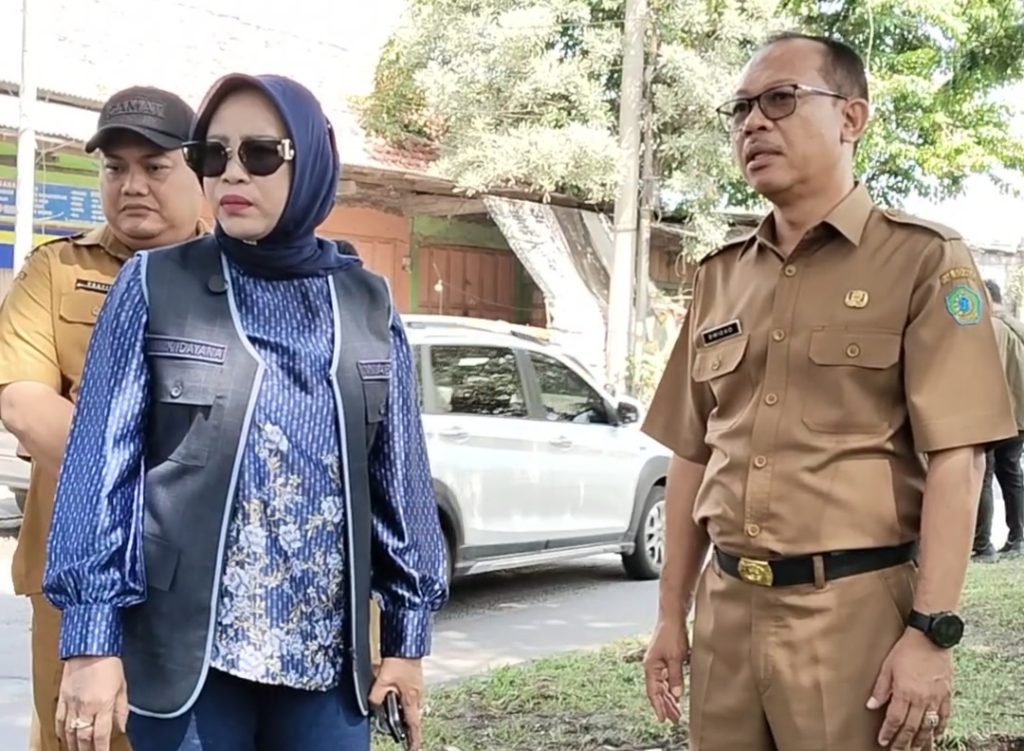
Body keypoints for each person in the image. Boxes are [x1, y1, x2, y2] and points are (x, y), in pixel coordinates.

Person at [41, 73, 447, 751]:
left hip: (326, 670)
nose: (232, 173)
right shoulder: (154, 285)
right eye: (212, 154)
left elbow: (399, 485)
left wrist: (407, 641)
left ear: (309, 163)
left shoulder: (368, 304)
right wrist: (90, 642)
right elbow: (99, 473)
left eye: (260, 154)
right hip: (191, 663)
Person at [640, 32, 1016, 751]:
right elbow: (692, 452)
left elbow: (958, 458)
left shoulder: (923, 260)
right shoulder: (721, 276)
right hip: (725, 612)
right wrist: (669, 613)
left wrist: (930, 632)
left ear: (851, 118)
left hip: (852, 616)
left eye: (781, 99)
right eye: (741, 108)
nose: (754, 122)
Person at [0, 85, 205, 751]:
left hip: (201, 577)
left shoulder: (235, 276)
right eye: (115, 167)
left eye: (155, 166)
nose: (132, 185)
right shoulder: (55, 270)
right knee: (80, 736)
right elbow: (23, 403)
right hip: (75, 573)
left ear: (198, 172)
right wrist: (155, 483)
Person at [973, 279, 1024, 561]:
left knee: (984, 475)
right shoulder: (1016, 326)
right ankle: (1018, 538)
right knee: (1011, 474)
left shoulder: (993, 327)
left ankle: (983, 546)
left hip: (998, 415)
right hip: (1019, 417)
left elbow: (987, 373)